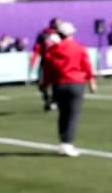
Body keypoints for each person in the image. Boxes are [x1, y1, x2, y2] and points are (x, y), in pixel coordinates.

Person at [40, 20, 96, 157]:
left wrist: (45, 85)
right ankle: (67, 143)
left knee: (63, 114)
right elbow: (86, 65)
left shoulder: (52, 50)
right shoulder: (78, 47)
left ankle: (63, 142)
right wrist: (91, 81)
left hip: (58, 85)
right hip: (75, 83)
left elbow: (47, 70)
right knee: (72, 114)